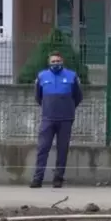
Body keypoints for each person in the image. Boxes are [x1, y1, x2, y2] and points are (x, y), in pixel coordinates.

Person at [30, 51, 83, 188]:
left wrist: (68, 108)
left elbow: (78, 97)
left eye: (58, 61)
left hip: (66, 119)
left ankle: (58, 178)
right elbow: (38, 97)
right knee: (43, 148)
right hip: (48, 118)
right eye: (53, 61)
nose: (55, 64)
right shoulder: (42, 76)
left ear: (62, 61)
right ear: (49, 63)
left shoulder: (72, 76)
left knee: (62, 149)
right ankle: (37, 179)